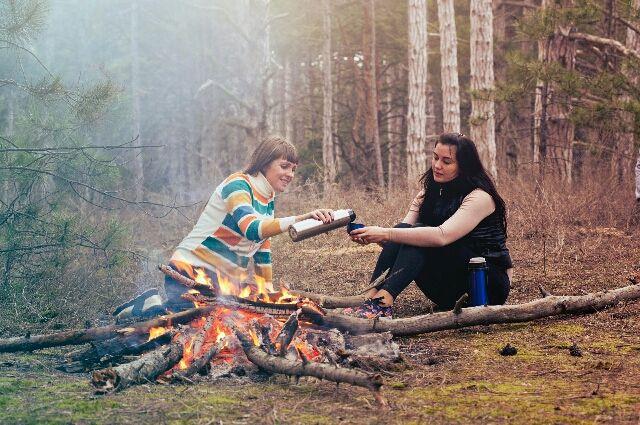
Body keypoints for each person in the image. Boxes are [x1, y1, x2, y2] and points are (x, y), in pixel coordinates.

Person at [115, 136, 333, 321]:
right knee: (185, 321)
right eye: (284, 166)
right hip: (190, 271)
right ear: (265, 163)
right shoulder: (238, 184)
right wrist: (297, 219)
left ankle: (162, 305)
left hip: (223, 283)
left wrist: (267, 290)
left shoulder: (268, 197)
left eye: (293, 169)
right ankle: (147, 305)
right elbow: (252, 229)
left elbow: (262, 245)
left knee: (230, 322)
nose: (290, 175)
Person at [345, 133, 513, 318]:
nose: (437, 165)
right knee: (405, 230)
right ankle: (369, 298)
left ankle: (382, 304)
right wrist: (372, 236)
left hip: (485, 286)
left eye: (446, 161)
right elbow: (401, 236)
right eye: (435, 157)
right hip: (447, 288)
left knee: (419, 235)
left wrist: (385, 233)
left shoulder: (479, 197)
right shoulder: (426, 194)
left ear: (465, 166)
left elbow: (441, 236)